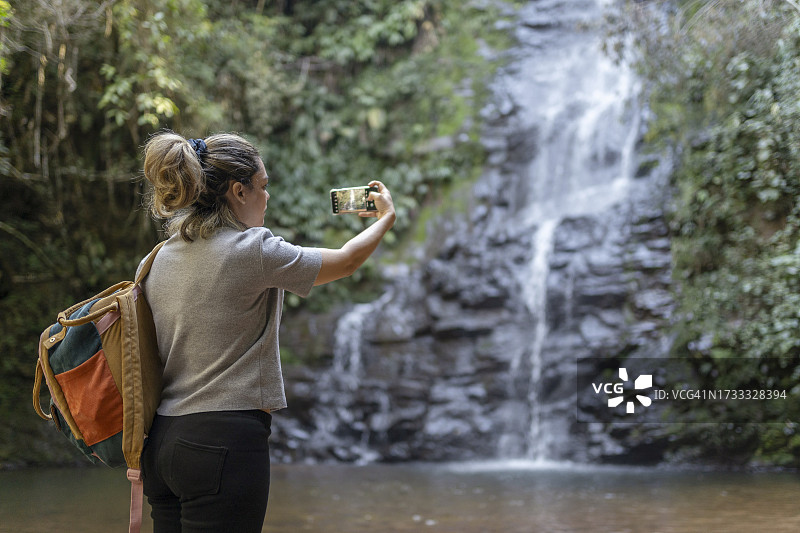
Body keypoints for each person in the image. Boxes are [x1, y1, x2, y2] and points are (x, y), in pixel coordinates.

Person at [137, 131, 395, 533]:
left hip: (161, 443)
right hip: (223, 441)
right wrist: (386, 218)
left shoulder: (156, 259)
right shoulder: (252, 250)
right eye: (263, 185)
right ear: (238, 191)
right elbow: (346, 261)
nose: (267, 196)